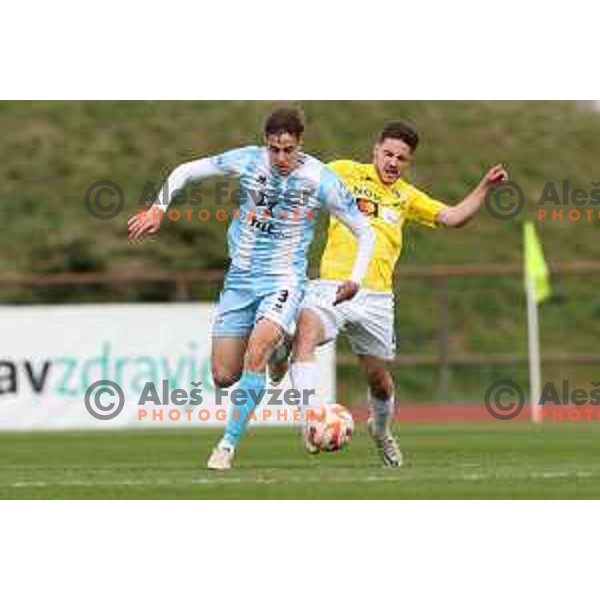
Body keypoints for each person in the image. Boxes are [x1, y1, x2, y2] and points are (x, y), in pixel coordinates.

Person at [128, 106, 375, 470]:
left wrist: (355, 277)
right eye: (274, 149)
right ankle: (279, 350)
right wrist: (158, 209)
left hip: (284, 280)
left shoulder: (320, 179)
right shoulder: (247, 160)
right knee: (224, 375)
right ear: (266, 143)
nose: (280, 157)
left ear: (299, 144)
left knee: (255, 354)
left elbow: (364, 230)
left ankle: (226, 447)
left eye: (288, 149)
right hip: (240, 280)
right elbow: (186, 171)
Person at [275, 121, 507, 467]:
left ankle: (381, 433)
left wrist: (484, 187)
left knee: (380, 382)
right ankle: (310, 418)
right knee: (306, 336)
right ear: (375, 151)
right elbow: (297, 168)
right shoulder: (344, 172)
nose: (393, 162)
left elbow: (455, 217)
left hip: (377, 300)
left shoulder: (407, 197)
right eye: (388, 154)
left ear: (408, 162)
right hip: (333, 287)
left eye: (402, 158)